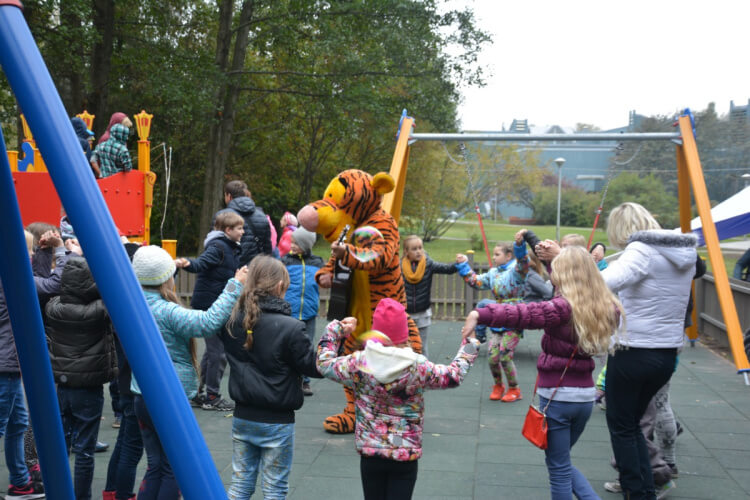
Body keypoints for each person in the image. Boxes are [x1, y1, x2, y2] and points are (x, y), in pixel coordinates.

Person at [462, 245, 623, 499]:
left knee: (558, 468)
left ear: (565, 276)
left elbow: (524, 312)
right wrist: (556, 261)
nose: (552, 277)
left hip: (558, 397)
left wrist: (480, 313)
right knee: (560, 460)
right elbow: (561, 290)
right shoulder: (605, 307)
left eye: (556, 273)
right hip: (584, 398)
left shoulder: (562, 308)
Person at [317, 298, 480, 500]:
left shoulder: (358, 363)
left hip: (371, 452)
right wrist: (470, 345)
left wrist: (337, 329)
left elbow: (324, 364)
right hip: (404, 452)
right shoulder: (417, 366)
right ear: (404, 333)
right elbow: (453, 375)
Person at [130, 246, 246, 499]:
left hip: (141, 395)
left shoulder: (132, 305)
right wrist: (234, 285)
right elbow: (207, 323)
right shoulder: (165, 311)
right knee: (174, 468)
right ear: (166, 278)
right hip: (168, 398)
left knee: (156, 464)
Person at [600, 202, 697, 499]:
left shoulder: (640, 251)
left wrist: (573, 266)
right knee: (632, 424)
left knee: (622, 426)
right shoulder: (684, 253)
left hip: (634, 350)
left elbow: (605, 282)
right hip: (666, 352)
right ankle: (645, 486)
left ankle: (637, 491)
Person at [218, 256, 321, 499]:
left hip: (243, 415)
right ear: (279, 287)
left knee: (240, 484)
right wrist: (334, 339)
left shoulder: (233, 322)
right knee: (274, 488)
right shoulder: (292, 327)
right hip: (277, 420)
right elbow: (314, 366)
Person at [1, 229, 69, 499]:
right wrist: (61, 250)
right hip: (5, 366)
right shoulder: (12, 281)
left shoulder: (11, 275)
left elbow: (36, 280)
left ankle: (20, 482)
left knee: (18, 423)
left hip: (9, 364)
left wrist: (43, 252)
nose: (31, 256)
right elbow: (52, 285)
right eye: (28, 251)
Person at [45, 256, 118, 500]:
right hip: (88, 387)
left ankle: (58, 491)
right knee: (85, 449)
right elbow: (111, 292)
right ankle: (82, 496)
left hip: (63, 384)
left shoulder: (53, 306)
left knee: (62, 444)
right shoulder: (99, 309)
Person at [175, 211, 245, 411]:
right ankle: (212, 396)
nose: (243, 232)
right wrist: (188, 264)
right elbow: (201, 263)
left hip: (217, 303)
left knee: (212, 352)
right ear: (228, 230)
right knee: (218, 352)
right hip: (209, 305)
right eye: (239, 228)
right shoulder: (218, 247)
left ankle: (200, 392)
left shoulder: (232, 248)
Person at [455, 231, 528, 402]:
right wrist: (464, 265)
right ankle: (498, 385)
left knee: (504, 356)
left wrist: (520, 246)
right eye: (494, 254)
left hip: (515, 317)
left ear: (509, 255)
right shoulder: (493, 273)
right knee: (493, 357)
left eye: (497, 254)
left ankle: (515, 389)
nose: (494, 257)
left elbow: (524, 263)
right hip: (498, 318)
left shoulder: (516, 271)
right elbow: (476, 282)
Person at [281, 228, 325, 396]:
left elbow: (325, 280)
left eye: (296, 243)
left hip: (309, 311)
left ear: (306, 245)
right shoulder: (286, 261)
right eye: (291, 242)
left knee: (307, 345)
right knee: (287, 345)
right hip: (289, 311)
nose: (292, 245)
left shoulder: (317, 262)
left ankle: (305, 381)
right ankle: (289, 378)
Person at [400, 235, 457, 359]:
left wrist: (458, 264)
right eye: (414, 249)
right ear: (406, 252)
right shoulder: (399, 267)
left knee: (422, 346)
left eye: (420, 248)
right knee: (406, 346)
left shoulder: (428, 264)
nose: (418, 251)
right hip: (406, 314)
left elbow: (446, 269)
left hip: (423, 313)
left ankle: (425, 374)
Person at [215, 180, 272, 266]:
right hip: (254, 270)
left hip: (229, 269)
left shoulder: (221, 216)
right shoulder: (262, 216)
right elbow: (267, 249)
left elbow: (214, 245)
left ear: (229, 196)